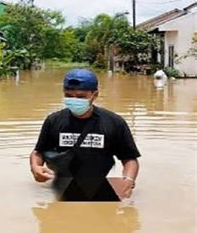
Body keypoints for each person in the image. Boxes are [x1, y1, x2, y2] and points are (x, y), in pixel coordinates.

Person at [30, 69, 140, 201]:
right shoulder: (54, 121)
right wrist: (35, 167)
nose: (74, 100)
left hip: (99, 186)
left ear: (95, 95)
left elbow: (129, 159)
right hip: (62, 188)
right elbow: (38, 152)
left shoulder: (114, 122)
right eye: (69, 95)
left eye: (81, 97)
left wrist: (128, 181)